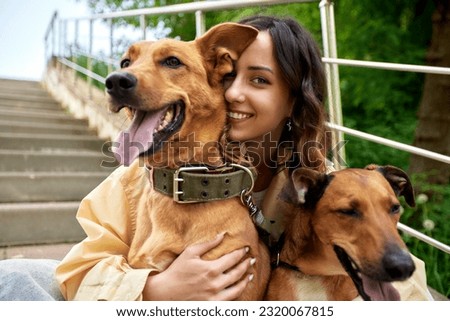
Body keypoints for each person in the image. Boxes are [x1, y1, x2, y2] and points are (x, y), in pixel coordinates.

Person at [0, 15, 432, 301]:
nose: (232, 92)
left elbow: (401, 274)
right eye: (225, 76)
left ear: (294, 101)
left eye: (259, 80)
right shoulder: (140, 176)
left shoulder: (326, 189)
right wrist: (156, 290)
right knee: (16, 279)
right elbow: (80, 267)